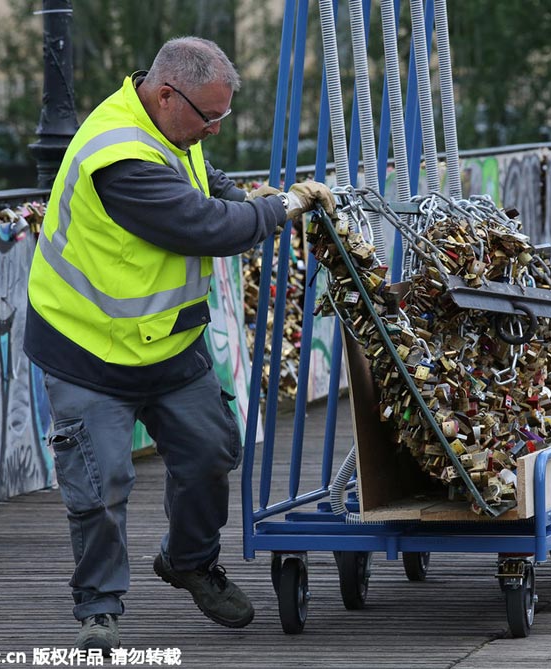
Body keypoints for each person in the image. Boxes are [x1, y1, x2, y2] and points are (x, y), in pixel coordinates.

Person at [24, 36, 335, 654]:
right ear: (168, 95)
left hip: (166, 346)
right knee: (101, 482)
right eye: (210, 117)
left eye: (222, 116)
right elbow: (208, 226)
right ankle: (100, 609)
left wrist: (256, 198)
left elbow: (214, 187)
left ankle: (188, 561)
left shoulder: (171, 132)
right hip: (88, 349)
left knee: (211, 453)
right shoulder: (119, 157)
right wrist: (286, 206)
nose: (215, 130)